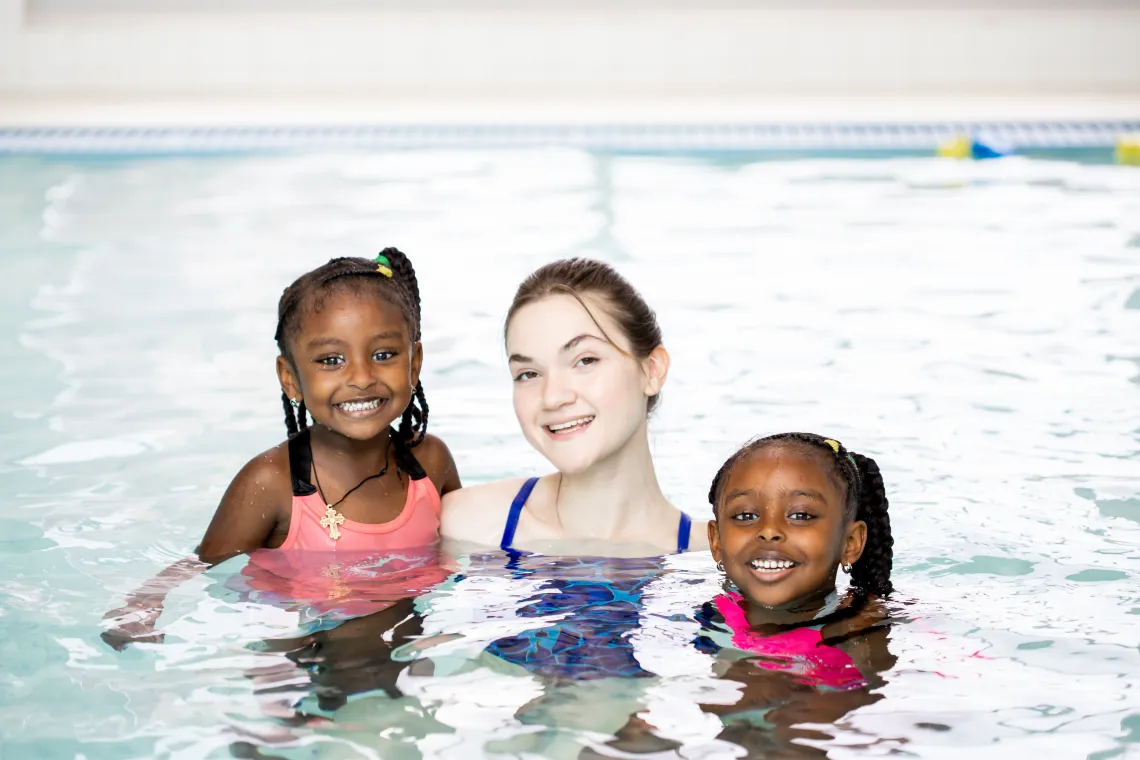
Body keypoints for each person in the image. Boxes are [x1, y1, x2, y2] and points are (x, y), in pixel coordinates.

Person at [102, 249, 459, 648]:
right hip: (300, 656)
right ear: (290, 379)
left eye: (383, 355)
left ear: (414, 363)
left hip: (406, 641)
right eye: (331, 360)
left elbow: (470, 546)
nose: (361, 377)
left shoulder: (429, 464)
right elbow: (202, 565)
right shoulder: (271, 483)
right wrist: (142, 606)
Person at [441, 257, 705, 556]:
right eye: (529, 374)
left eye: (585, 360)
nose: (553, 397)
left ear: (652, 371)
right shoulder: (465, 525)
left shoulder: (716, 557)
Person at [695, 432, 897, 751]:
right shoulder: (709, 613)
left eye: (801, 515)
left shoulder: (861, 633)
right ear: (717, 541)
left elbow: (863, 723)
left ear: (850, 542)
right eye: (746, 515)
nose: (769, 531)